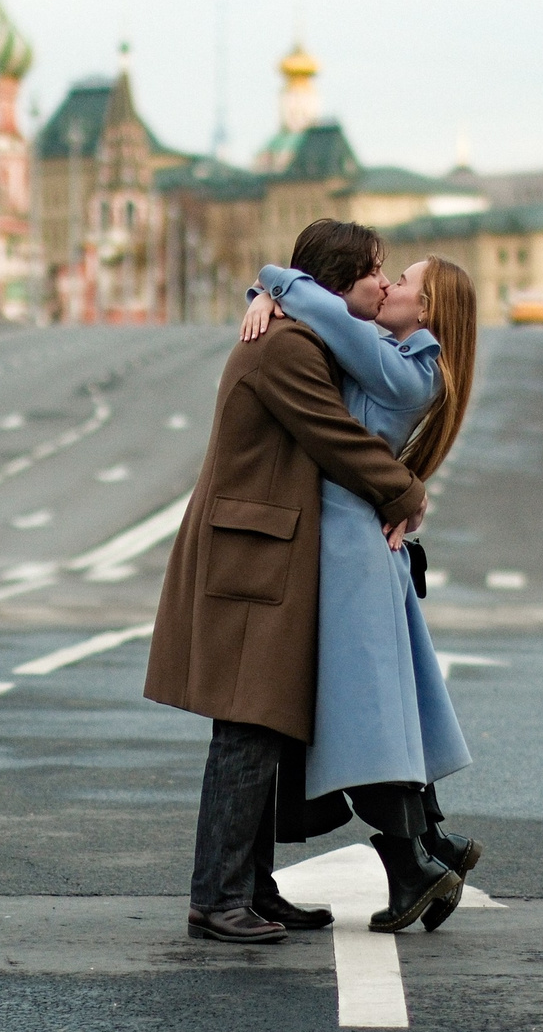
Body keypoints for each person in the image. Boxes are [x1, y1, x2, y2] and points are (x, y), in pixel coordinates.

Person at [146, 220, 431, 945]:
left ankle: (253, 888)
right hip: (250, 556)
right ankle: (216, 896)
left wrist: (270, 288)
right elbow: (332, 434)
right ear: (341, 280)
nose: (383, 282)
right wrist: (405, 492)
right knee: (245, 730)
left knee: (263, 728)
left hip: (265, 553)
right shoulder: (290, 348)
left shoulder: (300, 331)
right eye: (375, 271)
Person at [241, 249, 484, 932]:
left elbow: (319, 306)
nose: (389, 285)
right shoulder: (404, 360)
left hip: (348, 554)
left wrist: (271, 279)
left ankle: (414, 865)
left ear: (427, 308)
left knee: (363, 724)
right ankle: (428, 849)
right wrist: (267, 298)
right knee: (384, 715)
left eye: (403, 280)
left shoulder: (399, 367)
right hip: (357, 550)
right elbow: (319, 315)